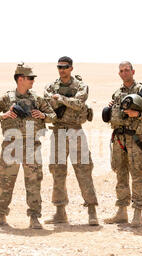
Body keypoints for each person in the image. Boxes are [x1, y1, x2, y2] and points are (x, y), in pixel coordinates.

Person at [0, 63, 56, 229]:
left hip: (32, 146)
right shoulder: (6, 98)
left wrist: (43, 115)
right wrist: (4, 115)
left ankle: (34, 217)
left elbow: (53, 116)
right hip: (11, 145)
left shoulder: (37, 99)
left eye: (33, 78)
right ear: (20, 79)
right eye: (30, 78)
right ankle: (0, 216)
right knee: (6, 181)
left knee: (33, 183)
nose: (33, 81)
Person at [43, 56, 99, 226]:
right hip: (59, 132)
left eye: (65, 67)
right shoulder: (51, 86)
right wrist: (65, 101)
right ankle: (60, 212)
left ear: (71, 68)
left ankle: (92, 211)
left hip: (76, 131)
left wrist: (60, 99)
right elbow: (47, 104)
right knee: (58, 172)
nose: (62, 70)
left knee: (83, 170)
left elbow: (79, 104)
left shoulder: (81, 86)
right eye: (59, 67)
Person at [102, 61, 142, 226]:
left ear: (133, 71)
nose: (124, 73)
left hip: (135, 139)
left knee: (137, 174)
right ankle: (121, 211)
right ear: (119, 74)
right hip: (119, 139)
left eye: (127, 70)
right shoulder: (117, 93)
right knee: (121, 174)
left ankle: (138, 212)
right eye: (121, 71)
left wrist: (137, 115)